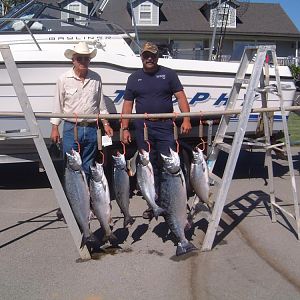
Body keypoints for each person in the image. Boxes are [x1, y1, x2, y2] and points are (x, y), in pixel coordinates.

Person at [121, 41, 192, 219]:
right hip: (143, 127)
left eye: (152, 55)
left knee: (171, 166)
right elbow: (127, 105)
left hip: (165, 125)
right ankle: (153, 203)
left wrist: (186, 118)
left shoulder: (168, 74)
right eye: (146, 55)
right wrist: (124, 128)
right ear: (141, 57)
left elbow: (181, 97)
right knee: (149, 167)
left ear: (157, 56)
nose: (149, 58)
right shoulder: (133, 78)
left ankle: (177, 202)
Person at [50, 41, 113, 182]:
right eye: (80, 58)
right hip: (71, 128)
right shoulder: (63, 79)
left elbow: (100, 104)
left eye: (86, 58)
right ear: (73, 60)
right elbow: (57, 104)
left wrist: (106, 124)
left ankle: (86, 197)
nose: (83, 61)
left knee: (88, 165)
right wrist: (54, 127)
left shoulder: (96, 78)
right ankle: (73, 200)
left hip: (91, 128)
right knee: (70, 167)